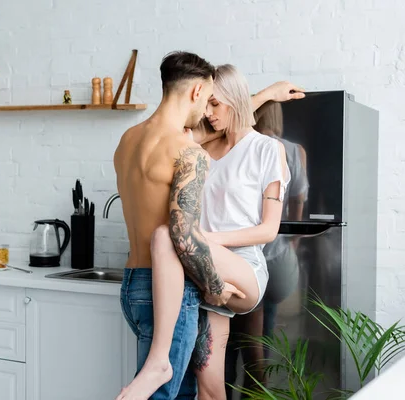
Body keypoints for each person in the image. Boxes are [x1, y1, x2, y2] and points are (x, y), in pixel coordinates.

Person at [117, 63, 305, 400]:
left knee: (165, 235)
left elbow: (268, 230)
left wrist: (201, 239)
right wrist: (194, 245)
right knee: (210, 386)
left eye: (216, 105)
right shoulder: (200, 145)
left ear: (233, 101)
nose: (208, 112)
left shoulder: (267, 149)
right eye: (207, 103)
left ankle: (158, 361)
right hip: (198, 268)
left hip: (242, 267)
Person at [224, 100, 309, 398]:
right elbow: (299, 200)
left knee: (240, 334)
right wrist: (294, 242)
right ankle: (259, 388)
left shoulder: (248, 147)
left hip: (252, 255)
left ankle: (246, 387)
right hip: (282, 254)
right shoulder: (296, 151)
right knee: (263, 325)